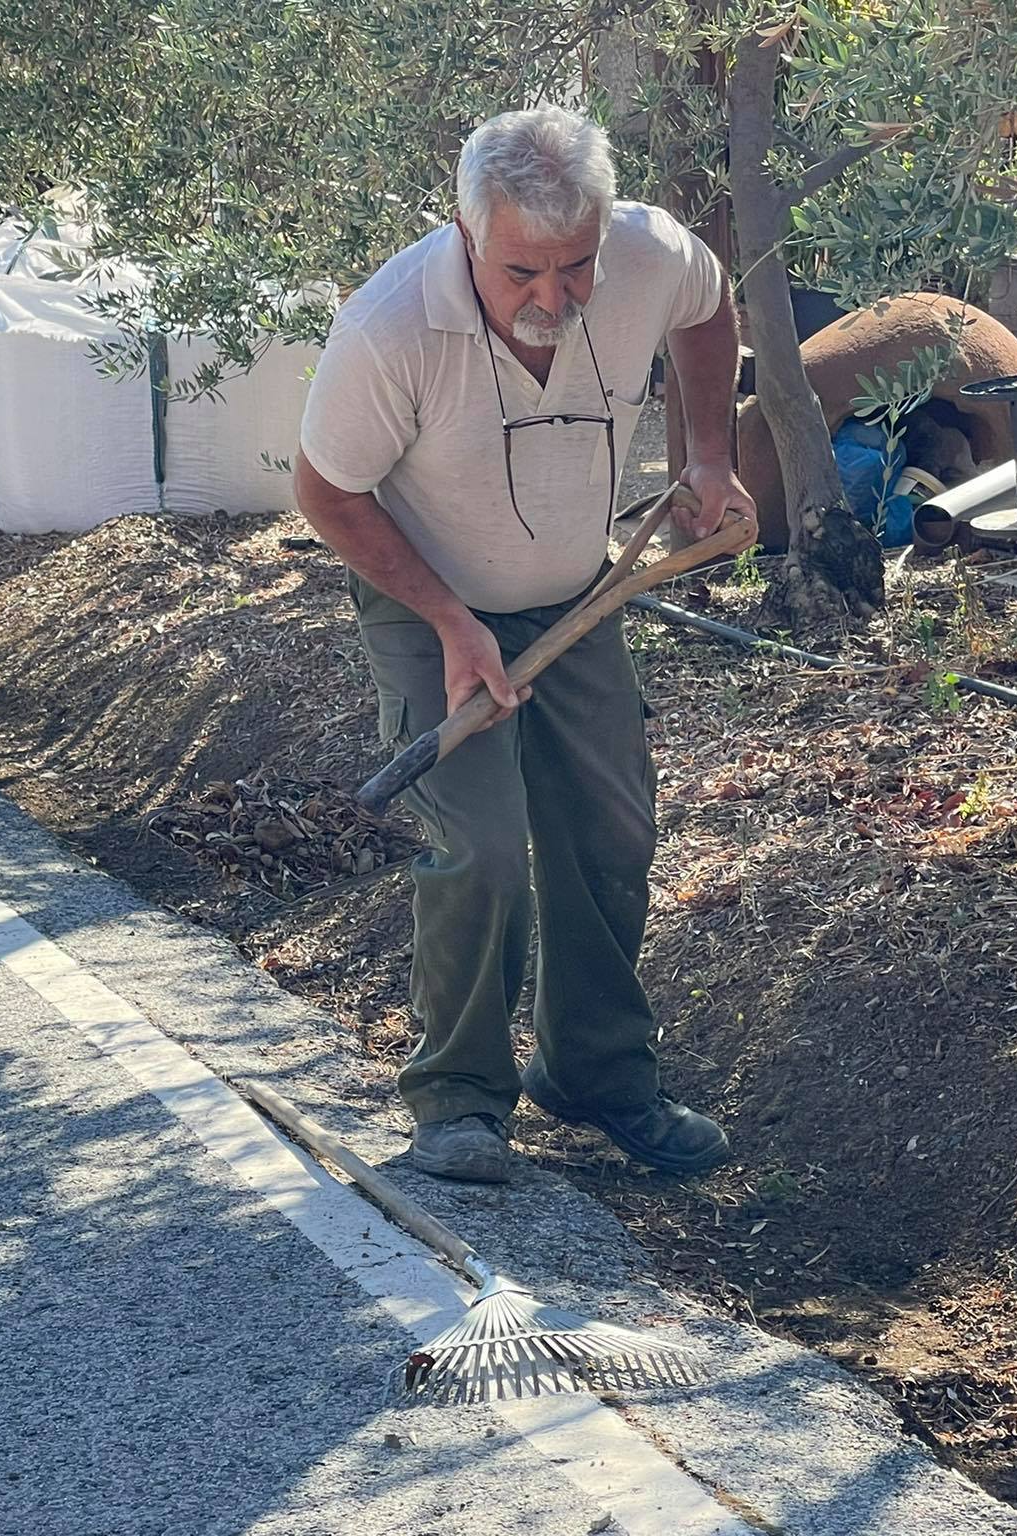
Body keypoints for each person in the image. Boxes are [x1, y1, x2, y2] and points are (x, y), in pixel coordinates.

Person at [294, 107, 754, 1184]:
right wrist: (451, 622)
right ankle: (456, 1098)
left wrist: (707, 455)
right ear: (463, 232)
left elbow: (707, 307)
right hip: (427, 605)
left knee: (611, 830)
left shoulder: (644, 252)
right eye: (519, 274)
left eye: (574, 270)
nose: (550, 299)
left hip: (572, 596)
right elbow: (325, 491)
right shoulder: (391, 328)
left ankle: (593, 1074)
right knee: (483, 847)